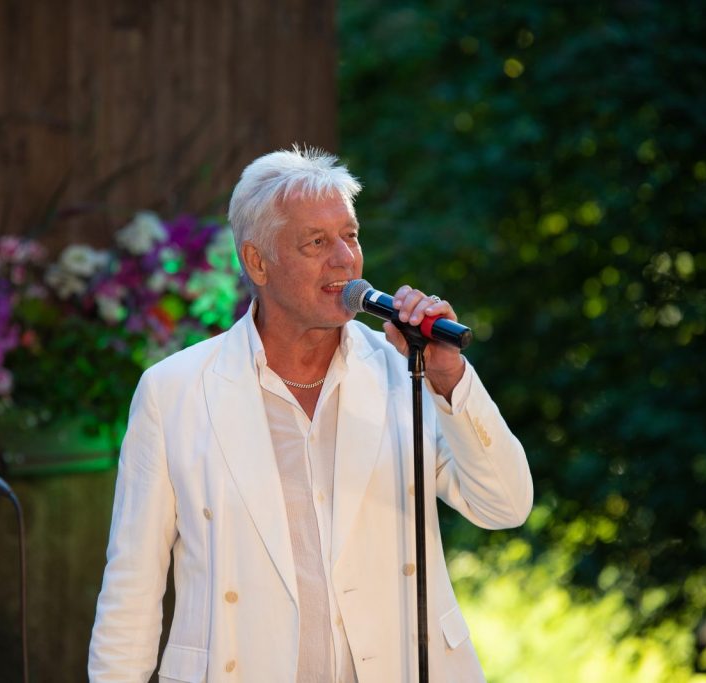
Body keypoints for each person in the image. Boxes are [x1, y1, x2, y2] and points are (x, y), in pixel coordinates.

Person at [88, 147, 533, 682]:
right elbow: (132, 590)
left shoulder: (406, 373)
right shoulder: (174, 392)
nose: (345, 259)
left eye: (350, 236)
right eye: (317, 242)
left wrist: (450, 379)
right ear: (257, 262)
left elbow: (505, 506)